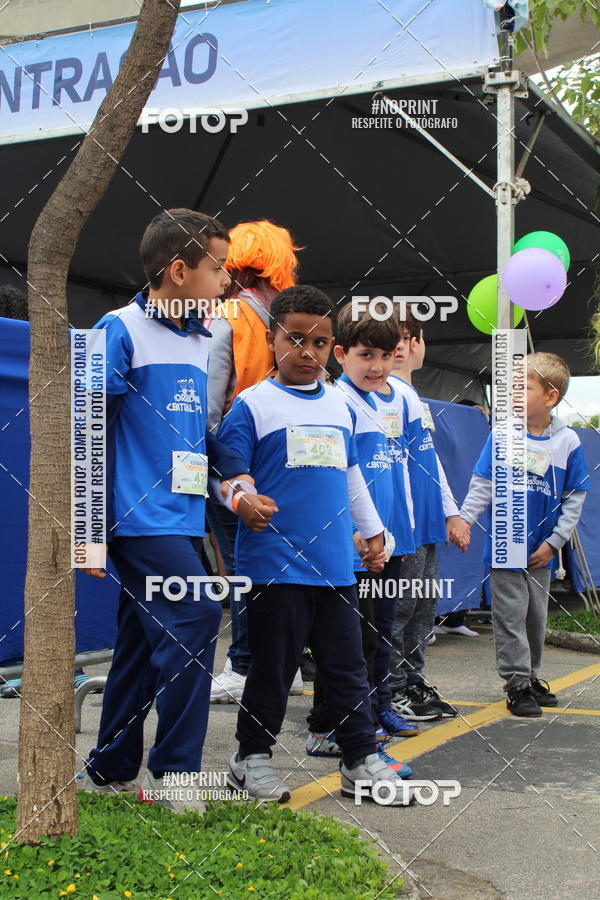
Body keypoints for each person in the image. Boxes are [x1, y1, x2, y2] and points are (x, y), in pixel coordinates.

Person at [80, 209, 257, 814]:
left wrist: (230, 489)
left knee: (137, 641)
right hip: (135, 519)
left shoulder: (206, 337)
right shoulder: (117, 328)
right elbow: (86, 430)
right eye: (217, 269)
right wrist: (87, 532)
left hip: (180, 516)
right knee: (200, 615)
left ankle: (107, 769)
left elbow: (193, 437)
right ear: (178, 270)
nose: (226, 283)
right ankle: (177, 776)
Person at [217, 285, 415, 805]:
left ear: (333, 346)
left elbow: (350, 475)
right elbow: (230, 473)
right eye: (296, 339)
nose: (308, 353)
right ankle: (250, 760)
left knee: (347, 666)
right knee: (274, 670)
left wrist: (372, 532)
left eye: (321, 342)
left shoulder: (339, 404)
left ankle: (358, 761)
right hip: (275, 568)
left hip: (336, 568)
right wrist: (243, 500)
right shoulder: (251, 406)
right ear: (270, 338)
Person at [306, 303, 418, 773]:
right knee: (346, 643)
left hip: (385, 544)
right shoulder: (336, 402)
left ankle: (373, 708)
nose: (376, 366)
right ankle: (326, 725)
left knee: (377, 636)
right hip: (350, 549)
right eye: (365, 354)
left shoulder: (392, 400)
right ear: (340, 354)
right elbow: (336, 478)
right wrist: (355, 531)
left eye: (386, 355)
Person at [457, 352, 589, 716]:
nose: (514, 394)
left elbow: (574, 497)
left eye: (523, 387)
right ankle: (516, 683)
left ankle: (531, 676)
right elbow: (482, 482)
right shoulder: (502, 433)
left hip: (541, 552)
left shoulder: (568, 442)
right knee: (510, 616)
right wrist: (465, 519)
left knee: (535, 617)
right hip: (505, 544)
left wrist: (554, 543)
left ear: (550, 396)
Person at [205, 220, 302, 703]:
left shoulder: (225, 316)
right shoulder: (288, 325)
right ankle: (286, 661)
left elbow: (208, 405)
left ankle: (244, 665)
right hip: (283, 463)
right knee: (274, 564)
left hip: (231, 462)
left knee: (241, 564)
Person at [387, 311, 470, 721]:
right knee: (398, 608)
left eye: (409, 337)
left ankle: (411, 681)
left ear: (421, 346)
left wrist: (451, 512)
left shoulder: (414, 399)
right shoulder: (381, 394)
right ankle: (389, 689)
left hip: (426, 522)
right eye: (394, 338)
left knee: (422, 606)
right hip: (400, 525)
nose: (402, 346)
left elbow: (430, 464)